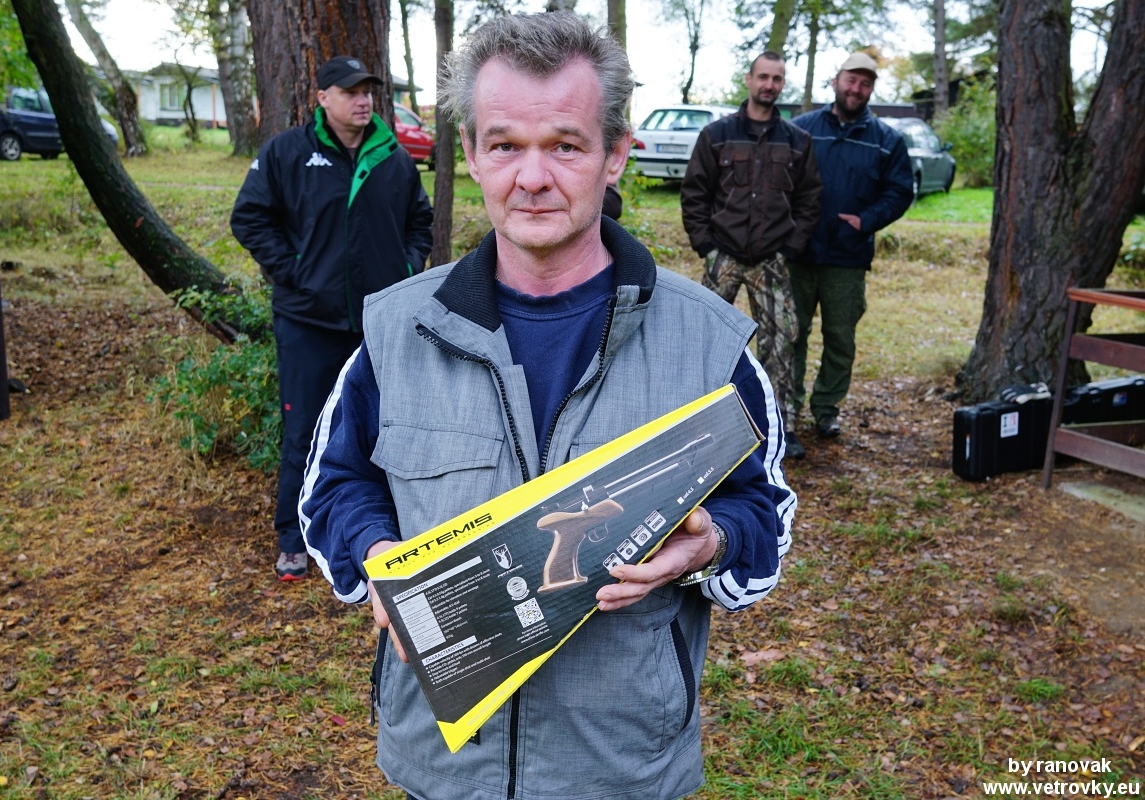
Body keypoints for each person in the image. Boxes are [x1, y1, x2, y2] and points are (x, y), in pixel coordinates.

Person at [299, 13, 794, 800]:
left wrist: (713, 543)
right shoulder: (398, 331)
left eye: (565, 145)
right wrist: (377, 552)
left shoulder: (709, 346)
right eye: (504, 146)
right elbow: (334, 488)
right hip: (443, 767)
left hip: (620, 767)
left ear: (615, 154)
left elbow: (763, 514)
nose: (532, 178)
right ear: (470, 154)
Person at [231, 56, 433, 581]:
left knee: (382, 427)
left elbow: (420, 220)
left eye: (367, 91)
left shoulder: (394, 158)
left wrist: (407, 267)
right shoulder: (288, 153)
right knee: (305, 428)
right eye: (350, 91)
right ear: (322, 98)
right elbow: (248, 217)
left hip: (376, 323)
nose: (362, 100)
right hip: (308, 321)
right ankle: (293, 537)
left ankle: (376, 534)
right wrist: (294, 271)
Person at [680, 51, 821, 460]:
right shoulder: (717, 134)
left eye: (777, 79)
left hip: (772, 258)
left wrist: (791, 247)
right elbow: (695, 192)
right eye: (763, 77)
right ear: (749, 79)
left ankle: (782, 426)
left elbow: (810, 199)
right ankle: (697, 423)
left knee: (782, 342)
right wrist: (705, 245)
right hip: (723, 255)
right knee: (705, 339)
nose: (769, 85)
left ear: (782, 84)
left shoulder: (797, 140)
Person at [790, 52, 913, 440]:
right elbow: (779, 180)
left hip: (847, 256)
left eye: (865, 83)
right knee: (791, 335)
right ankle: (785, 408)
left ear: (871, 89)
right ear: (836, 81)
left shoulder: (887, 141)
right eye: (851, 80)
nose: (856, 89)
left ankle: (826, 409)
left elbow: (901, 191)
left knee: (840, 339)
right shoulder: (802, 129)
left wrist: (867, 220)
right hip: (799, 253)